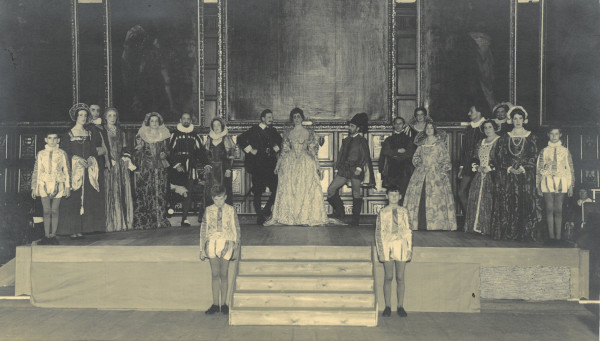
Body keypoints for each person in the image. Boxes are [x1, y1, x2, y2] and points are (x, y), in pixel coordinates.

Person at [264, 108, 337, 226]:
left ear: (302, 118)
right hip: (290, 163)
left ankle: (304, 216)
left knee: (305, 188)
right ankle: (291, 216)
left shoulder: (309, 132)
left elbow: (313, 150)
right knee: (291, 188)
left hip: (305, 162)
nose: (296, 119)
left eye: (298, 116)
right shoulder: (288, 133)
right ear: (292, 119)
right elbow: (284, 150)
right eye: (294, 117)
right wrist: (278, 164)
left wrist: (317, 165)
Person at [493, 106, 542, 241]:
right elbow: (500, 156)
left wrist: (523, 167)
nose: (518, 121)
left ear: (524, 120)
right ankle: (510, 233)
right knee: (510, 202)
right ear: (511, 120)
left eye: (520, 118)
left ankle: (526, 233)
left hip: (526, 176)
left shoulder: (531, 137)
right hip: (509, 176)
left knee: (526, 202)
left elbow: (535, 155)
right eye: (515, 118)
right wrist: (509, 168)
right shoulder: (504, 138)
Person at [58, 103, 105, 238]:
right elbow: (65, 152)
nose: (83, 118)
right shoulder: (69, 133)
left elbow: (93, 150)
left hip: (87, 169)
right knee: (74, 198)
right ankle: (71, 229)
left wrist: (91, 158)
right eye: (81, 115)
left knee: (88, 198)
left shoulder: (90, 133)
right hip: (75, 170)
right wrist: (77, 159)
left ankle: (85, 228)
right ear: (75, 117)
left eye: (85, 115)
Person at [404, 122, 457, 231]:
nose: (429, 129)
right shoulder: (421, 144)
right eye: (427, 128)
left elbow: (446, 159)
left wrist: (442, 171)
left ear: (434, 129)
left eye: (431, 127)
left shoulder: (440, 144)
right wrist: (419, 163)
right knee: (419, 197)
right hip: (421, 173)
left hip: (436, 174)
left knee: (435, 197)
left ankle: (436, 225)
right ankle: (419, 224)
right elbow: (416, 157)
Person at [327, 113, 375, 226]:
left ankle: (355, 220)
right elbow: (341, 155)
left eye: (352, 126)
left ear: (358, 128)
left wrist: (359, 168)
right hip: (344, 169)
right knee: (331, 190)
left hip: (356, 169)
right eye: (350, 126)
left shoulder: (362, 140)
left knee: (356, 193)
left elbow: (365, 155)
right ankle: (340, 212)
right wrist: (337, 168)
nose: (350, 128)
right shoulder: (346, 140)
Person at [199, 185, 241, 315]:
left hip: (227, 243)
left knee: (224, 274)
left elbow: (236, 228)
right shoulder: (208, 210)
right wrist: (201, 249)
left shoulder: (230, 210)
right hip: (212, 243)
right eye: (216, 199)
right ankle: (215, 304)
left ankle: (224, 304)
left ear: (225, 197)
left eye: (221, 199)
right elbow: (203, 230)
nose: (219, 202)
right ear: (212, 198)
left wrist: (236, 246)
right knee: (215, 274)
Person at [237, 109, 282, 225]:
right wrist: (250, 150)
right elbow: (240, 139)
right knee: (258, 191)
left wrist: (277, 147)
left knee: (277, 188)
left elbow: (281, 142)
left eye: (271, 117)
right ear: (262, 118)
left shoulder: (273, 131)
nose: (271, 119)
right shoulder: (254, 130)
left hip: (270, 165)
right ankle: (260, 215)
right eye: (268, 117)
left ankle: (266, 210)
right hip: (257, 165)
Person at [375, 187, 412, 317]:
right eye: (391, 195)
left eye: (396, 195)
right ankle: (387, 306)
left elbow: (408, 231)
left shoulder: (404, 212)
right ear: (387, 196)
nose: (394, 197)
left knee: (400, 277)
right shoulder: (382, 212)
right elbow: (378, 233)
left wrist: (409, 249)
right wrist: (381, 250)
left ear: (400, 197)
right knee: (388, 276)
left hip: (401, 246)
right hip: (387, 246)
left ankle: (400, 305)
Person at [168, 112, 208, 226]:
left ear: (191, 121)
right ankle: (170, 208)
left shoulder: (195, 135)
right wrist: (176, 164)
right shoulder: (175, 134)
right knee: (177, 190)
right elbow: (170, 151)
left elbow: (201, 151)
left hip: (191, 167)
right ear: (180, 120)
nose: (186, 120)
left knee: (188, 192)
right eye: (184, 118)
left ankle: (184, 218)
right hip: (177, 167)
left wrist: (206, 164)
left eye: (188, 119)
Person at [133, 112, 171, 229]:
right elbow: (137, 153)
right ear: (148, 122)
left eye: (156, 121)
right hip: (146, 169)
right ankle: (146, 221)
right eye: (152, 121)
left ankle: (160, 220)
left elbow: (168, 151)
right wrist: (139, 151)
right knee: (146, 194)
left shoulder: (164, 135)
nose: (154, 123)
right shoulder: (142, 135)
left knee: (160, 193)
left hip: (160, 169)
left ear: (159, 122)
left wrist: (165, 154)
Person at [537, 126, 574, 243]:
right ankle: (551, 237)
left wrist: (571, 185)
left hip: (561, 182)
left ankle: (558, 237)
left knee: (558, 209)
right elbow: (538, 169)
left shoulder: (565, 151)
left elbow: (570, 169)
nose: (554, 136)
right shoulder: (544, 151)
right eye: (552, 134)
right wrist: (538, 185)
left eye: (556, 134)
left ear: (560, 135)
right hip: (547, 182)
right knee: (549, 209)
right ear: (548, 135)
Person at [31, 132, 70, 245]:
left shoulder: (62, 153)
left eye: (54, 138)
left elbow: (67, 170)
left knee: (54, 210)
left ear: (58, 140)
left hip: (58, 183)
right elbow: (36, 171)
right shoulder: (41, 154)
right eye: (50, 138)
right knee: (46, 210)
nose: (52, 141)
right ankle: (46, 235)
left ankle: (53, 235)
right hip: (43, 183)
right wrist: (34, 187)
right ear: (45, 139)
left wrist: (68, 186)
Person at [464, 120, 501, 235]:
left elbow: (500, 159)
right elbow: (475, 157)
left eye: (490, 127)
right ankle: (475, 227)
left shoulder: (500, 141)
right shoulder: (481, 142)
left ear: (494, 128)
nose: (487, 130)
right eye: (485, 128)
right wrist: (477, 167)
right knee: (476, 197)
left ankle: (487, 228)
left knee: (489, 199)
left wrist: (490, 168)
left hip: (493, 175)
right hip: (479, 174)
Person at [103, 107, 134, 232]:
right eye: (109, 115)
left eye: (114, 115)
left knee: (121, 192)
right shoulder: (102, 131)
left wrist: (125, 158)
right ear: (105, 117)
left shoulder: (121, 132)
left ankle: (122, 222)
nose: (112, 118)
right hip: (109, 165)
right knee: (111, 192)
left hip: (120, 165)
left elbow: (126, 148)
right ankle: (111, 223)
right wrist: (109, 159)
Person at [457, 105, 487, 217]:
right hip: (467, 165)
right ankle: (470, 218)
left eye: (471, 111)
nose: (469, 114)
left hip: (482, 165)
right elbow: (464, 150)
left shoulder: (486, 127)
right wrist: (461, 167)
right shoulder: (469, 128)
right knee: (461, 192)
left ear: (479, 112)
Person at [379, 117, 415, 198]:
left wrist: (394, 155)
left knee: (403, 193)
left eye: (400, 123)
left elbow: (410, 153)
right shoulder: (388, 139)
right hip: (391, 170)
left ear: (404, 125)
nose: (398, 125)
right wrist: (397, 151)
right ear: (393, 125)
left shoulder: (409, 139)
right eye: (396, 123)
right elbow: (385, 152)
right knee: (392, 193)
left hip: (405, 170)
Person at [204, 117, 236, 207]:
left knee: (223, 191)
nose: (216, 127)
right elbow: (206, 155)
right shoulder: (209, 139)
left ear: (222, 126)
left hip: (223, 170)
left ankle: (224, 216)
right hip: (211, 171)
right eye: (214, 125)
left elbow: (230, 156)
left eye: (218, 125)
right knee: (210, 191)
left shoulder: (226, 139)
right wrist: (207, 165)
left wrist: (228, 169)